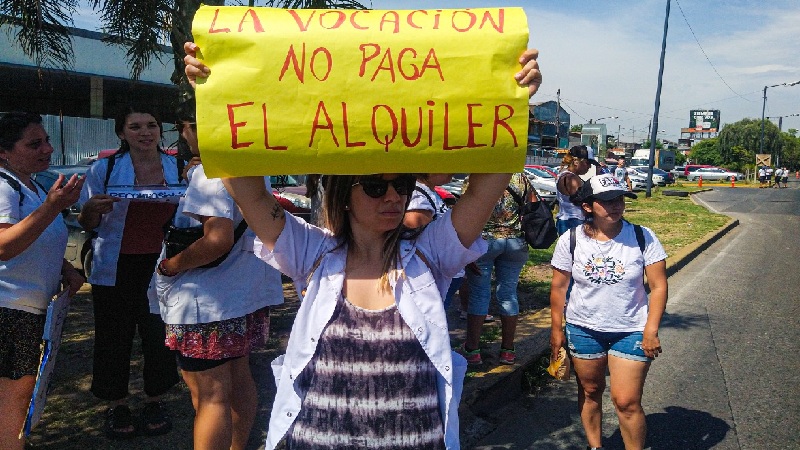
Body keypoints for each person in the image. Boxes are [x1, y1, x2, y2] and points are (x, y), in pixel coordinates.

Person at [185, 42, 541, 450]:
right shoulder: (312, 252)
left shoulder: (431, 254)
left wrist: (512, 100)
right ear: (343, 193)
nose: (393, 197)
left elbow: (485, 186)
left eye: (403, 185)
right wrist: (212, 95)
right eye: (375, 186)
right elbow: (247, 191)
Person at [148, 115, 284, 450]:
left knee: (210, 397)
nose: (184, 133)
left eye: (187, 126)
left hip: (206, 302)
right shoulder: (251, 167)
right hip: (243, 295)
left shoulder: (210, 174)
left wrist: (170, 266)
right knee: (239, 381)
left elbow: (217, 239)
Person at [78, 106, 181, 439]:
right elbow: (86, 223)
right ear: (121, 133)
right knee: (113, 338)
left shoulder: (178, 166)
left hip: (163, 265)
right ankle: (117, 404)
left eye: (152, 125)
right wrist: (90, 211)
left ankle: (155, 400)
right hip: (116, 266)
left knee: (159, 337)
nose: (145, 132)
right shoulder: (103, 169)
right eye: (135, 127)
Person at [549, 173, 668, 450]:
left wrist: (650, 329)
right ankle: (595, 446)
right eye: (606, 200)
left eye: (619, 199)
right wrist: (557, 330)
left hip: (631, 329)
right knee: (591, 391)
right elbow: (558, 288)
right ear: (588, 206)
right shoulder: (571, 240)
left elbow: (659, 286)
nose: (615, 205)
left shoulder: (642, 236)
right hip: (583, 328)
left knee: (626, 401)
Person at [0, 112, 85, 450]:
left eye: (46, 140)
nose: (48, 149)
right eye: (34, 144)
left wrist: (64, 268)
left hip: (28, 311)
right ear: (4, 152)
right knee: (13, 405)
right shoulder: (5, 186)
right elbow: (5, 246)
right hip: (10, 312)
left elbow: (35, 240)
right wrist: (52, 207)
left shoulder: (29, 185)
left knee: (20, 400)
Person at [460, 172, 537, 365]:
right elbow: (534, 204)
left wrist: (466, 248)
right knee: (509, 293)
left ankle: (473, 350)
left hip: (484, 242)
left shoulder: (476, 177)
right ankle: (508, 351)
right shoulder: (521, 177)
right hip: (515, 242)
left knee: (479, 294)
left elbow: (465, 213)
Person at [404, 173, 466, 313]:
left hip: (445, 271)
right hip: (432, 273)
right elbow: (411, 233)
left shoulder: (429, 190)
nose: (452, 170)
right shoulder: (417, 195)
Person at [555, 145, 597, 235]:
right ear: (576, 161)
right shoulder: (571, 178)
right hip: (575, 220)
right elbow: (581, 201)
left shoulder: (562, 174)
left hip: (565, 219)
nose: (589, 167)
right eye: (587, 163)